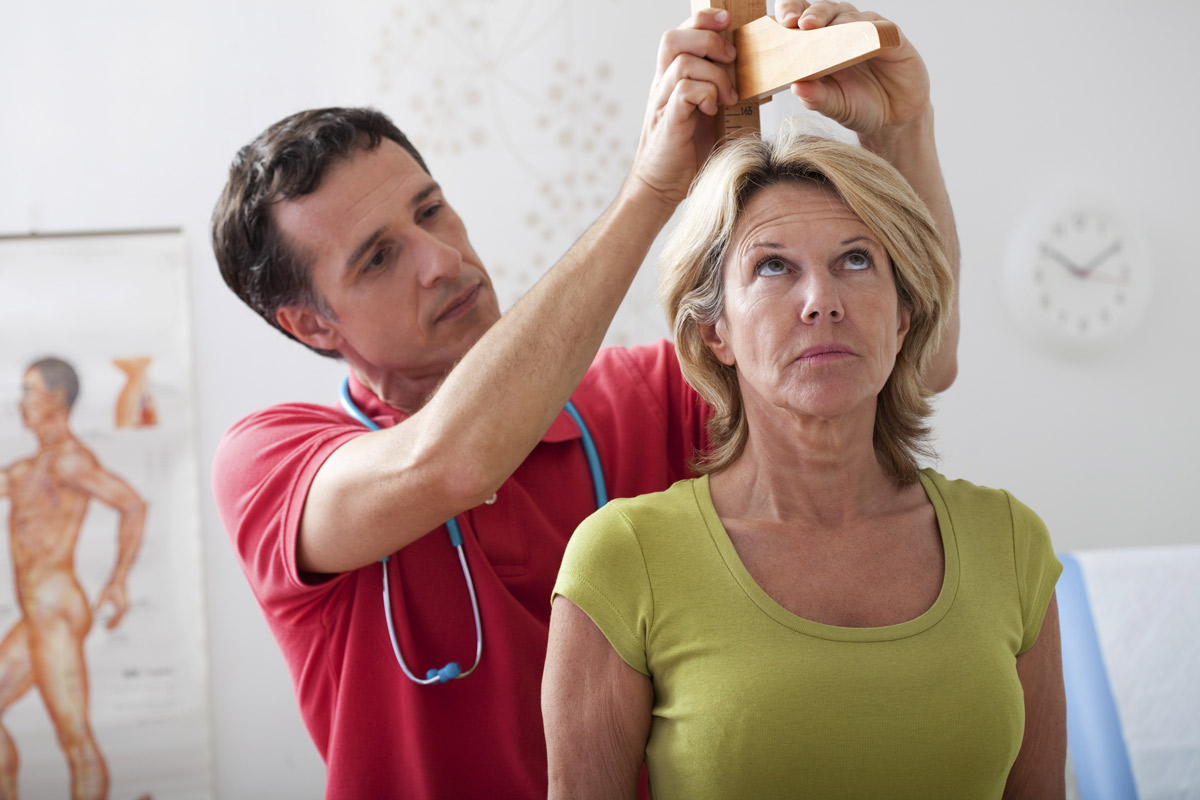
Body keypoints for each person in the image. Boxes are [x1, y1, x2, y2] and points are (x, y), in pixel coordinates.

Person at [209, 3, 961, 797]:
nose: (439, 259)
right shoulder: (270, 462)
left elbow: (916, 360)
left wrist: (900, 128)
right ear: (309, 323)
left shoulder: (642, 398)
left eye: (430, 209)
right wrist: (649, 189)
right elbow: (453, 462)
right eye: (379, 258)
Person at [542, 130, 1064, 799]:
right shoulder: (624, 557)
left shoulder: (1011, 542)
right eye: (772, 267)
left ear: (903, 317)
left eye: (855, 260)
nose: (822, 299)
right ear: (714, 331)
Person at [0, 357, 147, 800]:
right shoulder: (28, 469)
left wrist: (118, 581)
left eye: (30, 390)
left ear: (57, 398)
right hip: (36, 613)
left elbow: (133, 505)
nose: (20, 401)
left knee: (74, 736)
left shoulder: (69, 461)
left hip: (56, 610)